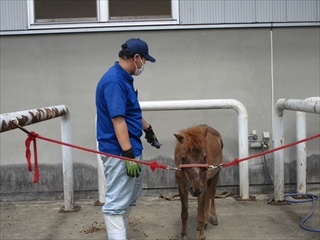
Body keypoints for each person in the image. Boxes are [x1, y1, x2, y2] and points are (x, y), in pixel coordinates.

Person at [95, 38, 162, 240]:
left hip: (130, 148)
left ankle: (119, 235)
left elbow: (130, 112)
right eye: (145, 60)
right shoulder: (114, 81)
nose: (144, 65)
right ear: (136, 58)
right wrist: (128, 155)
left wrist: (147, 129)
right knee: (116, 203)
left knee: (127, 198)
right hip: (119, 152)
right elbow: (118, 120)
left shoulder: (123, 79)